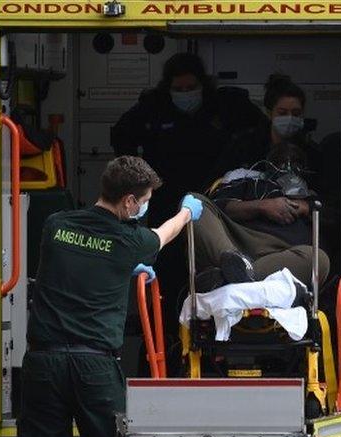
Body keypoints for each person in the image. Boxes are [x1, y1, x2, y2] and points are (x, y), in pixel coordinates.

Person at [19, 156, 203, 437]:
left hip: (43, 364)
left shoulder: (57, 226)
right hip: (94, 369)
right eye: (146, 200)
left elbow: (79, 264)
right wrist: (187, 213)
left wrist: (124, 269)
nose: (146, 206)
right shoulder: (127, 241)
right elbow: (162, 234)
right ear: (130, 203)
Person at [111, 53, 263, 331]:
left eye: (190, 88)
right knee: (168, 282)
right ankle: (164, 350)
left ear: (202, 85)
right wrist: (139, 179)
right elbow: (121, 136)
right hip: (166, 205)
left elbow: (259, 131)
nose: (185, 94)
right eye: (178, 90)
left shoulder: (224, 107)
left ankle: (212, 345)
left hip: (213, 206)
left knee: (215, 276)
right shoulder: (153, 108)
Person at [192, 143, 329, 288]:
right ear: (269, 163)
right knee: (194, 202)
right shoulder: (251, 182)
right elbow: (218, 208)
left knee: (319, 260)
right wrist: (262, 206)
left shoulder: (311, 196)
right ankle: (234, 262)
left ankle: (232, 276)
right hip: (237, 243)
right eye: (280, 160)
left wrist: (307, 207)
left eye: (296, 161)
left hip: (283, 255)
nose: (288, 165)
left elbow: (339, 223)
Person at [207, 74, 321, 186]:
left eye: (296, 113)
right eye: (282, 113)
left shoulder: (310, 152)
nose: (290, 118)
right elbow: (216, 183)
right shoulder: (244, 145)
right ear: (269, 113)